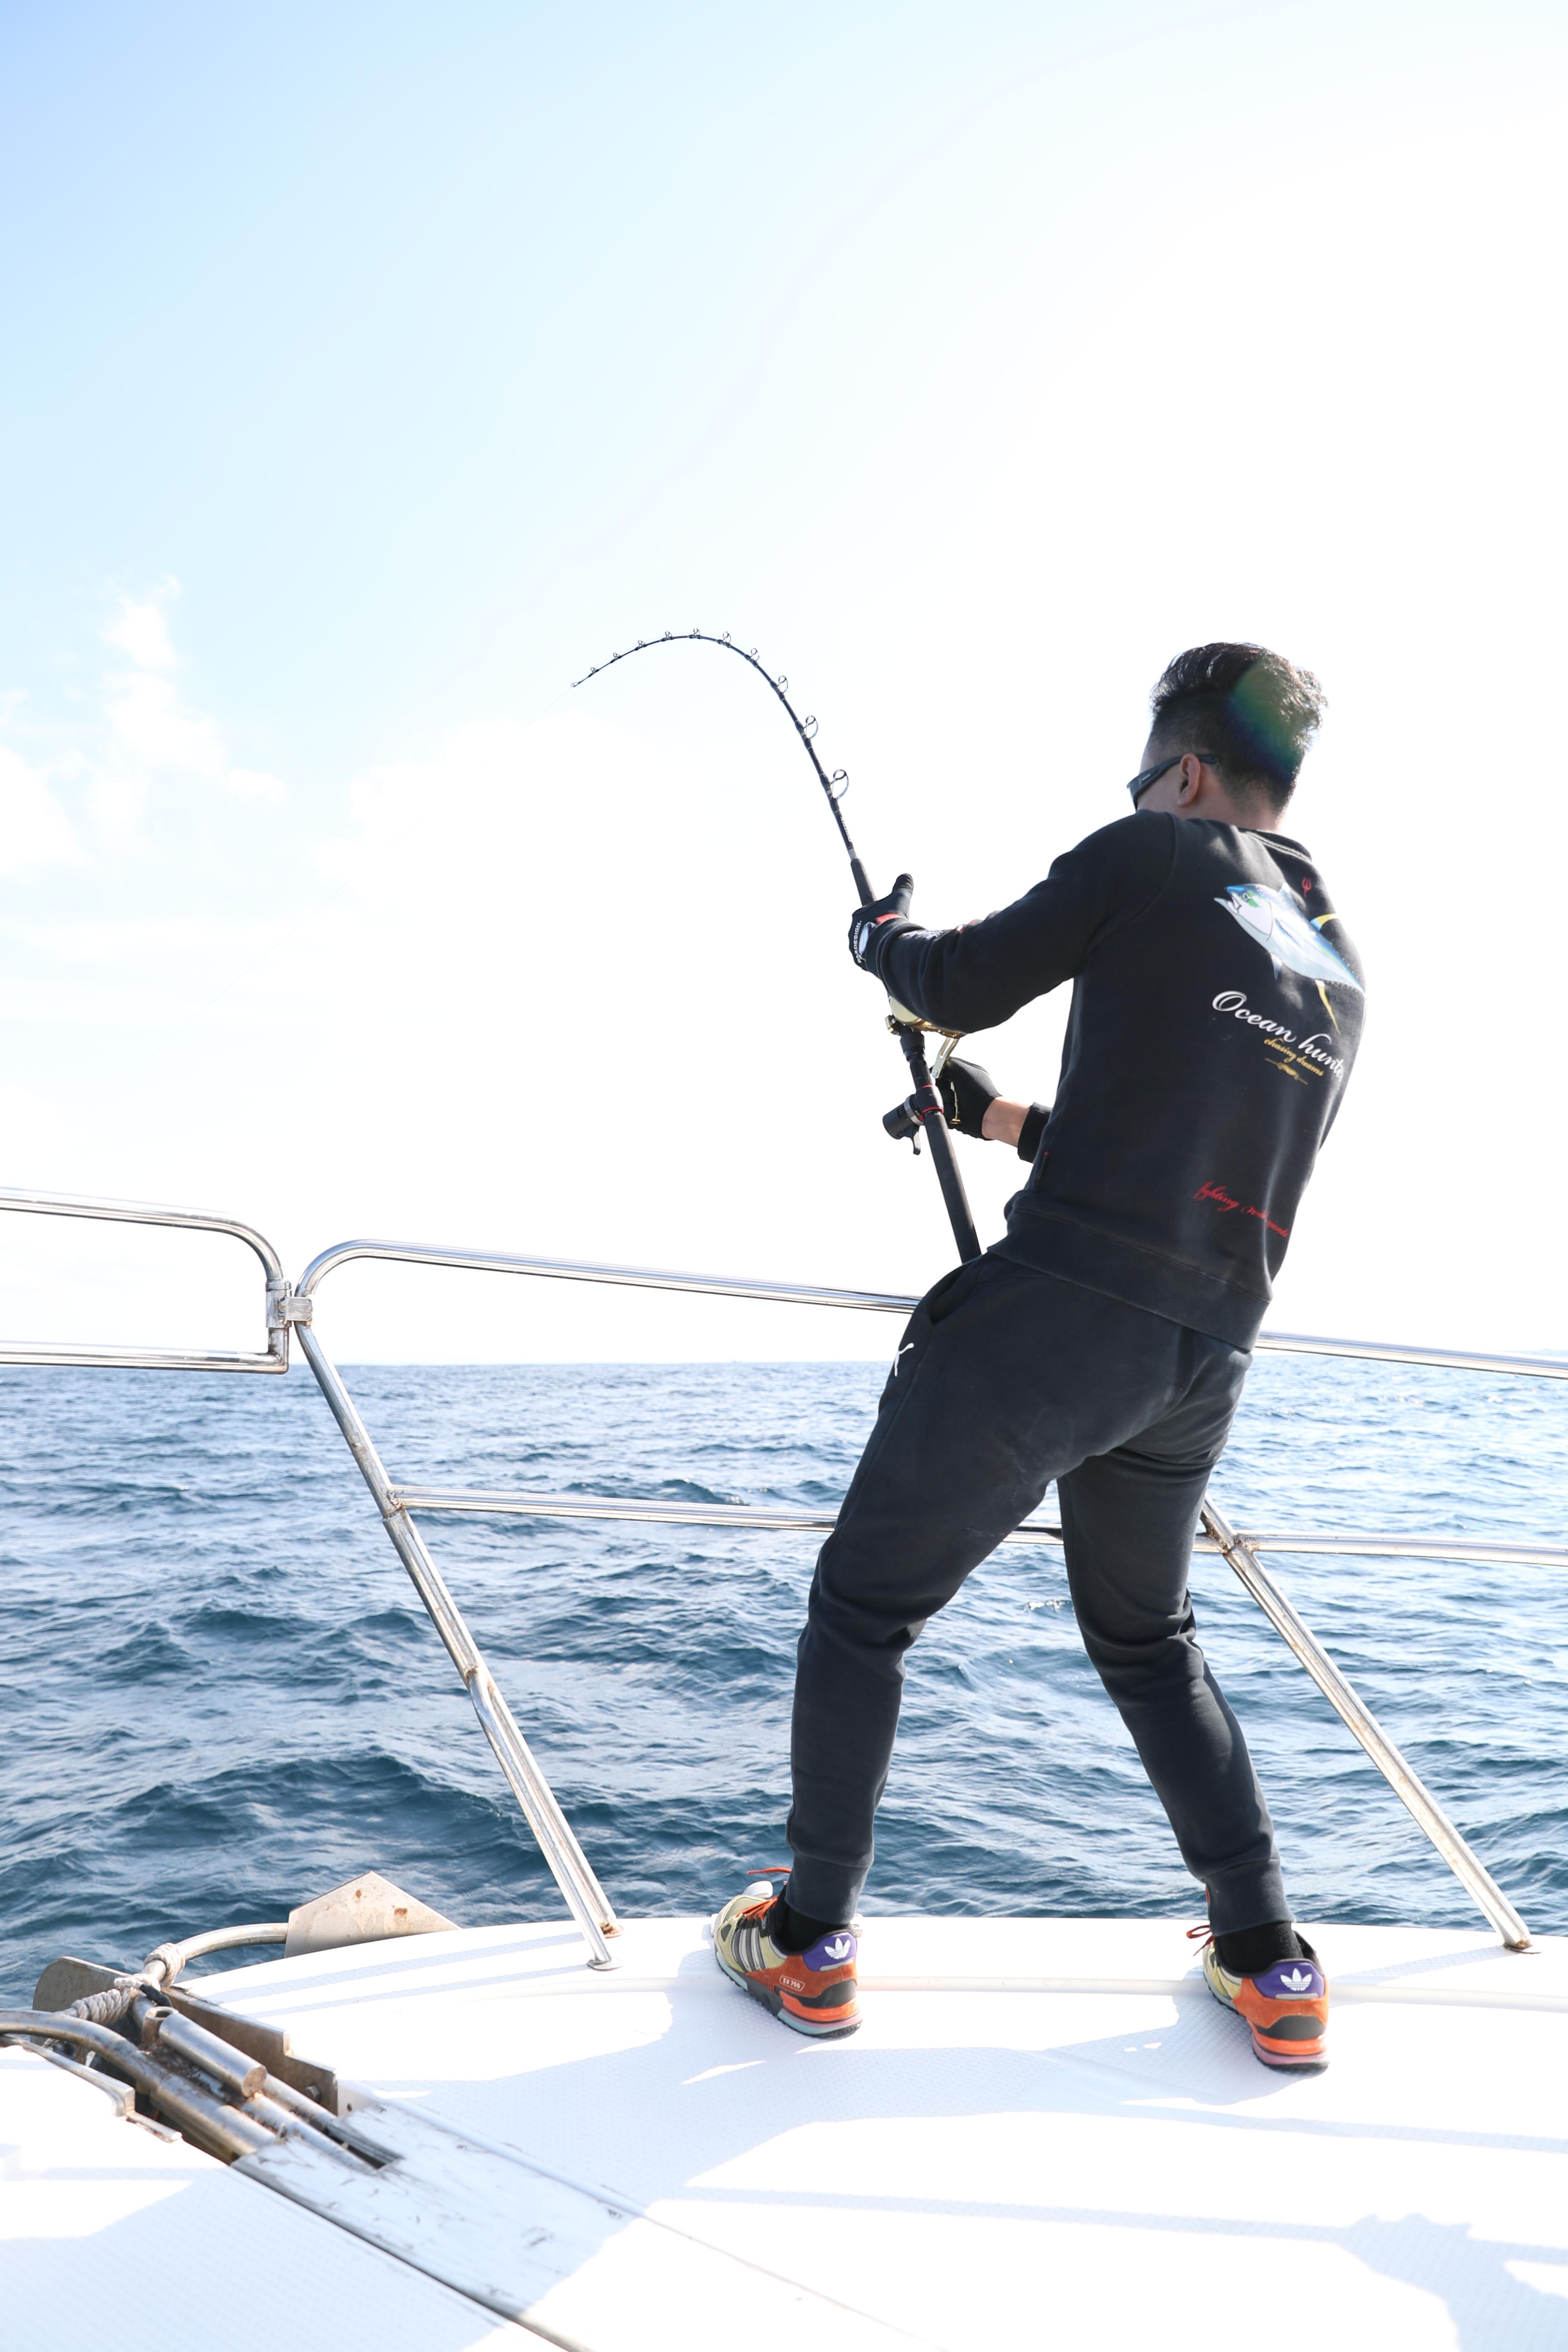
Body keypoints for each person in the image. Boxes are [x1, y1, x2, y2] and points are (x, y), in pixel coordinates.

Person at [712, 642, 1365, 2070]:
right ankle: (1267, 1959)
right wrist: (1001, 1124)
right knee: (1147, 1640)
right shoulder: (1330, 955)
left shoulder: (1156, 848)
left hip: (1060, 1319)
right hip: (1203, 1357)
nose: (1141, 794)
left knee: (862, 1607)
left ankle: (808, 1936)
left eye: (1147, 775)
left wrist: (880, 938)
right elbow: (1176, 1152)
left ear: (1187, 771)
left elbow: (953, 980)